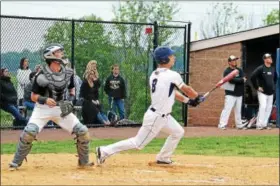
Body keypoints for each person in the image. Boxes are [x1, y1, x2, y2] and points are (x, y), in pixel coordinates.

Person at [96, 46, 204, 165]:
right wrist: (197, 96)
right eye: (171, 56)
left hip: (164, 116)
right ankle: (104, 151)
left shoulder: (154, 74)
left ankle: (163, 157)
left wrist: (188, 101)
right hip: (157, 117)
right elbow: (187, 89)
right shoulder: (172, 75)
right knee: (138, 143)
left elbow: (172, 91)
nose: (174, 58)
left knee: (178, 132)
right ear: (165, 59)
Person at [9, 44, 94, 170]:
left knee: (83, 132)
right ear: (51, 56)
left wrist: (69, 101)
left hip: (60, 109)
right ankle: (16, 162)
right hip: (42, 109)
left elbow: (72, 90)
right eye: (58, 52)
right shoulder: (41, 75)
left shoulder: (67, 73)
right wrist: (45, 99)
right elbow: (33, 96)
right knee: (29, 133)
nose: (61, 53)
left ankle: (84, 162)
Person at [218, 55, 247, 130]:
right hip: (230, 94)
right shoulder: (227, 71)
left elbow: (244, 78)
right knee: (227, 109)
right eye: (233, 60)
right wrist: (240, 80)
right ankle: (222, 124)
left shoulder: (239, 70)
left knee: (238, 110)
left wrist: (239, 79)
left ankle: (239, 125)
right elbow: (231, 80)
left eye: (235, 60)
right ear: (229, 62)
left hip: (239, 93)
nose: (235, 61)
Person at [250, 53, 277, 130]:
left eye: (270, 57)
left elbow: (275, 79)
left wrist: (272, 86)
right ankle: (259, 124)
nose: (270, 58)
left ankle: (264, 124)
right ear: (265, 60)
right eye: (268, 57)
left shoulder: (272, 68)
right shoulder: (261, 68)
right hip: (262, 93)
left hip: (270, 92)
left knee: (268, 108)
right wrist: (257, 87)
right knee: (263, 106)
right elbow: (252, 77)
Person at [80, 60, 110, 126]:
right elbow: (84, 94)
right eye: (91, 74)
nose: (92, 75)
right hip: (87, 101)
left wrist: (96, 100)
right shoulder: (85, 83)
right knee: (96, 110)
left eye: (93, 74)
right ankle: (104, 122)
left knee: (100, 108)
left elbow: (97, 90)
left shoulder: (95, 82)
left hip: (94, 100)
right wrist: (92, 100)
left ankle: (108, 121)